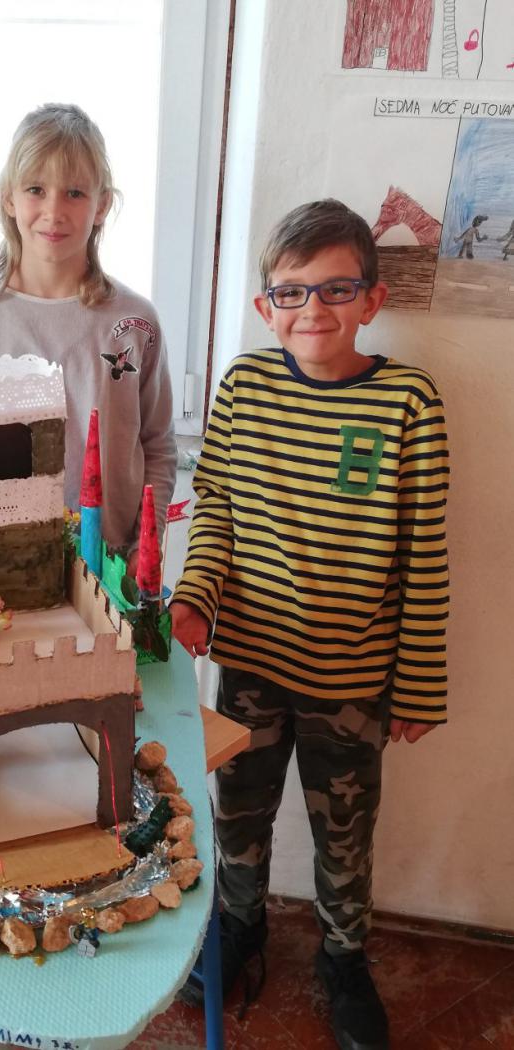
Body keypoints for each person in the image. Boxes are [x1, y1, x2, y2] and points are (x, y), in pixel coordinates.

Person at [170, 199, 449, 1050]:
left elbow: (424, 553)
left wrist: (418, 686)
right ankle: (239, 926)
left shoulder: (407, 402)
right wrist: (194, 598)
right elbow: (215, 508)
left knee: (344, 835)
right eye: (290, 292)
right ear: (266, 307)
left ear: (371, 299)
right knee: (236, 815)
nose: (312, 310)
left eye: (336, 289)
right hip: (249, 667)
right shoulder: (243, 387)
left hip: (353, 682)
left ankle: (343, 957)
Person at [0, 104, 177, 567]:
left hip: (109, 565)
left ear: (101, 205)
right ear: (9, 199)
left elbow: (158, 445)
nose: (53, 211)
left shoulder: (135, 322)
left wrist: (147, 543)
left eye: (74, 192)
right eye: (36, 190)